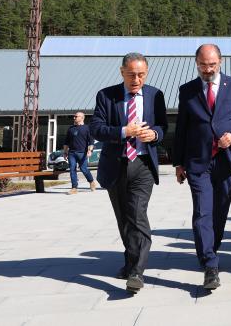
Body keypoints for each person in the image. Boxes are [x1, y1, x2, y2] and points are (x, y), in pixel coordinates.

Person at [174, 44, 231, 290]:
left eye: (212, 65)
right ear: (196, 63)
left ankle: (210, 248)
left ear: (221, 61)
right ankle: (210, 264)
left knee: (220, 210)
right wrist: (178, 162)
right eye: (202, 65)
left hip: (226, 160)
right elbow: (182, 129)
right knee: (202, 212)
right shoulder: (186, 90)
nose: (207, 70)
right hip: (198, 162)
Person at [89, 53, 168, 294]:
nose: (136, 79)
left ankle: (136, 272)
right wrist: (124, 131)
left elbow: (163, 127)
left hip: (143, 165)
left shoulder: (155, 95)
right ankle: (130, 260)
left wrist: (153, 135)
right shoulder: (106, 95)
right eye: (132, 74)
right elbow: (96, 128)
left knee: (137, 214)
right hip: (116, 164)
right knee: (124, 218)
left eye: (141, 74)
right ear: (122, 72)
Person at [62, 111, 97, 194]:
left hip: (82, 153)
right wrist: (65, 152)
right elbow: (66, 142)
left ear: (82, 118)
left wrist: (90, 150)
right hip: (72, 153)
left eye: (76, 116)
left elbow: (91, 141)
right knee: (72, 169)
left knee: (83, 169)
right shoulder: (71, 129)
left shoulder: (87, 128)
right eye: (74, 116)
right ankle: (74, 188)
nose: (74, 118)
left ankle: (91, 181)